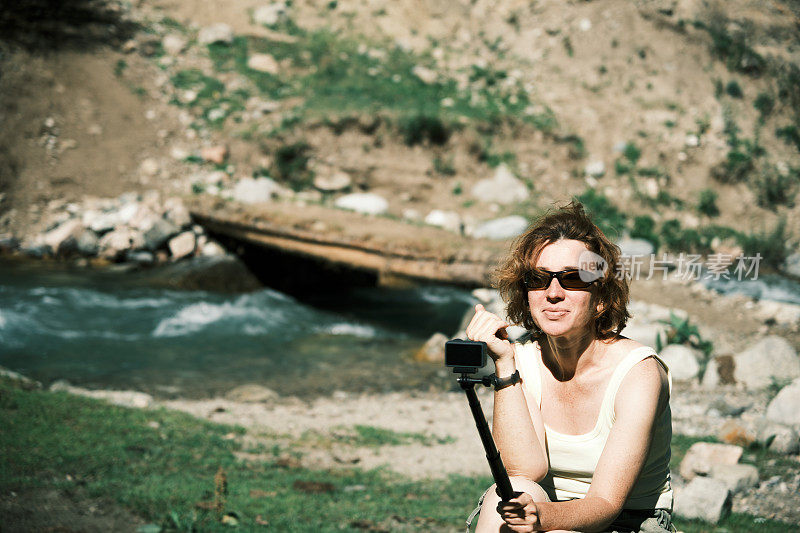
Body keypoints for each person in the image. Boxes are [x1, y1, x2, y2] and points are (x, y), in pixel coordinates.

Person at [465, 201, 673, 533]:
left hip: (629, 521)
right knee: (503, 496)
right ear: (526, 292)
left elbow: (606, 504)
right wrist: (504, 364)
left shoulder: (639, 374)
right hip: (544, 511)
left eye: (573, 279)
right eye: (538, 278)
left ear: (600, 296)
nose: (553, 293)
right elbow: (523, 472)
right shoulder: (522, 360)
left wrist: (542, 519)